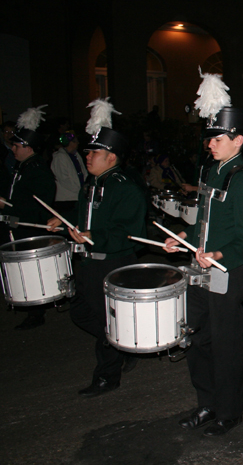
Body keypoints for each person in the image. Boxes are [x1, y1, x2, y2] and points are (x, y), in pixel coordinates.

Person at [165, 71, 243, 437]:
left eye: (217, 137)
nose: (210, 144)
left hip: (227, 272)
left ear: (237, 140)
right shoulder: (210, 171)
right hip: (198, 268)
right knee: (195, 339)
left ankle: (228, 411)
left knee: (225, 346)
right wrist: (183, 235)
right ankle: (206, 404)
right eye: (209, 137)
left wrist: (220, 253)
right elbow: (202, 222)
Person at [47, 98, 147, 396]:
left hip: (112, 263)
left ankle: (107, 376)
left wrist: (93, 235)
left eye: (94, 152)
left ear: (112, 157)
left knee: (107, 319)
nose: (87, 156)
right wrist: (63, 221)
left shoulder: (125, 187)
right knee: (80, 312)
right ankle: (122, 344)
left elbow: (129, 233)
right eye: (88, 151)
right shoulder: (91, 185)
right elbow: (85, 221)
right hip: (89, 262)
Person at [1, 106, 57, 330]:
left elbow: (40, 205)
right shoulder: (22, 167)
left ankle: (36, 310)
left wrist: (7, 205)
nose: (13, 148)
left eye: (16, 145)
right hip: (15, 224)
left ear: (28, 147)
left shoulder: (38, 171)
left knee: (29, 270)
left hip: (29, 227)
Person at [51, 130, 88, 213]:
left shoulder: (76, 155)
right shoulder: (60, 157)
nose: (78, 143)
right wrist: (79, 190)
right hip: (66, 199)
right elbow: (63, 178)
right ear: (71, 143)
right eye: (76, 141)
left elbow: (83, 173)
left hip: (77, 197)